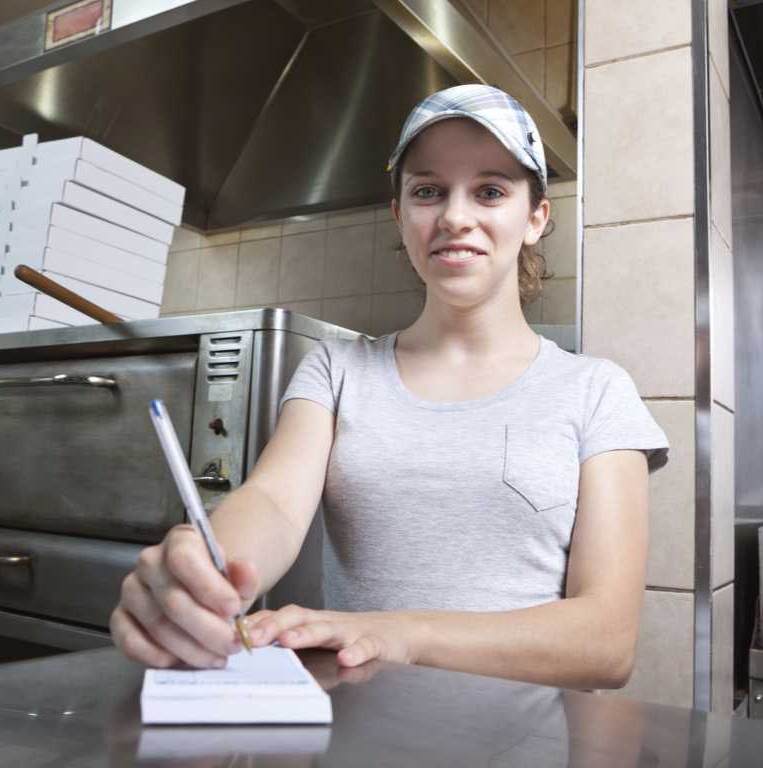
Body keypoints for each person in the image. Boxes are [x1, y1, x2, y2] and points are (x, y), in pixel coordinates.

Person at [111, 84, 669, 690]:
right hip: (360, 737)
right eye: (428, 191)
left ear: (535, 217)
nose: (455, 216)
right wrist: (201, 566)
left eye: (490, 191)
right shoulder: (337, 370)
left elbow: (606, 642)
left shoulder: (598, 392)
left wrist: (398, 633)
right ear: (401, 214)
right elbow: (272, 502)